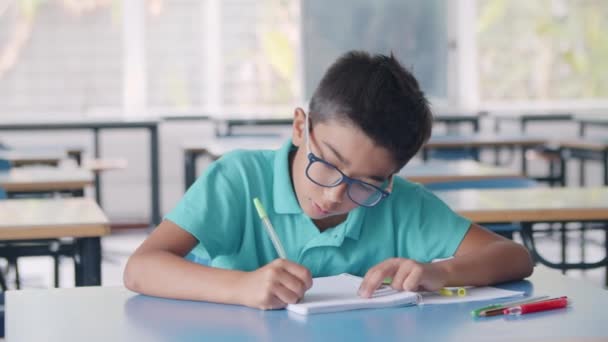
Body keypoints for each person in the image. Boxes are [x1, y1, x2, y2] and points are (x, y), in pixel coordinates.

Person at [124, 51, 533, 310]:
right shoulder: (239, 178)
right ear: (301, 127)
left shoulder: (401, 203)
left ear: (390, 179)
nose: (334, 194)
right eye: (327, 162)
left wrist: (439, 273)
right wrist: (241, 288)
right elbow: (141, 268)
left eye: (365, 183)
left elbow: (515, 258)